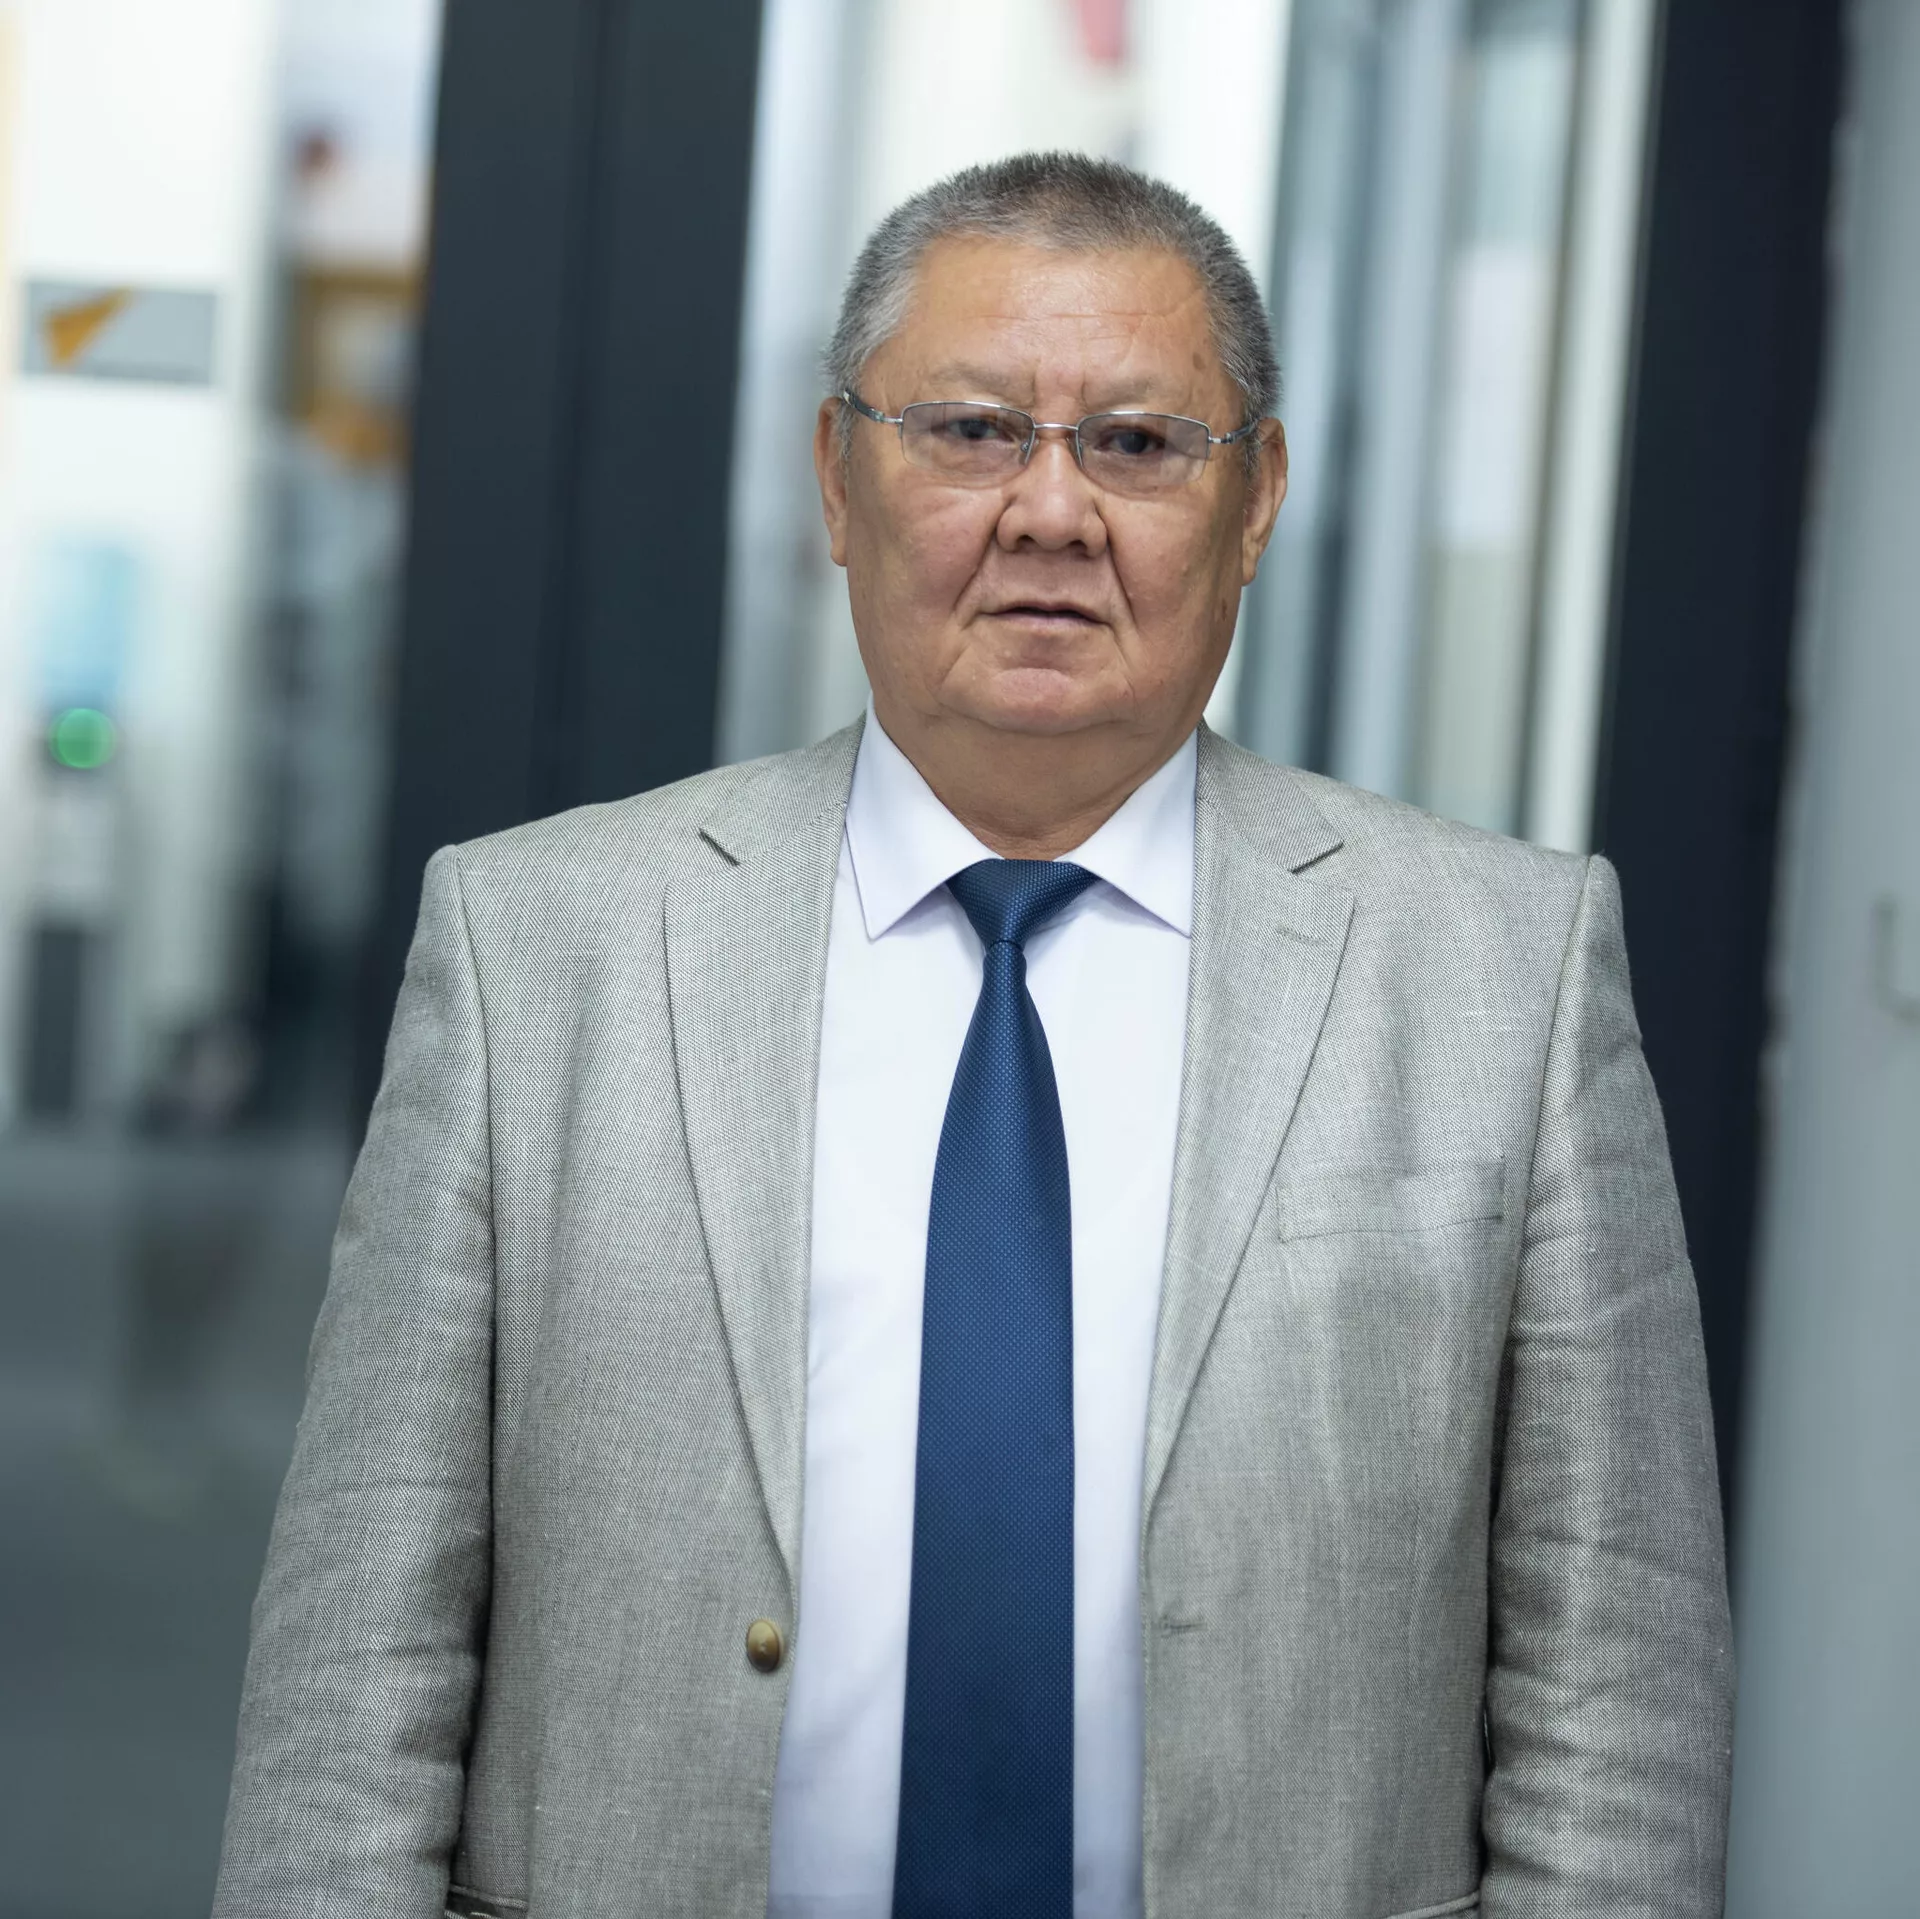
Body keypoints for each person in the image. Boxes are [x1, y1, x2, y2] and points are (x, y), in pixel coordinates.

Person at [213, 153, 1733, 1919]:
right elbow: (358, 1670)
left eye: (1140, 443)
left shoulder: (1505, 973)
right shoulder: (535, 948)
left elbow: (1613, 1697)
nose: (1052, 511)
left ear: (1257, 502)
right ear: (836, 477)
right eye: (972, 431)